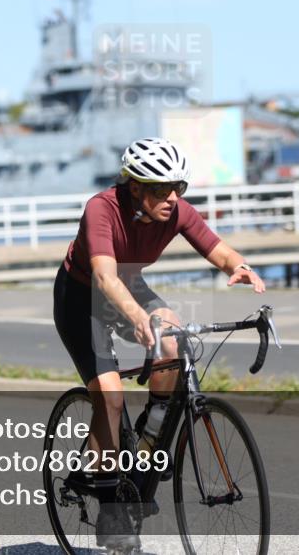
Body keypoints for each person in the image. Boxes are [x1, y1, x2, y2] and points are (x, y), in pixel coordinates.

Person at [53, 137, 265, 548]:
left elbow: (214, 246)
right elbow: (103, 278)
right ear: (135, 187)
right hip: (82, 297)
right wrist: (135, 317)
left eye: (178, 188)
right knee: (111, 399)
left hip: (128, 284)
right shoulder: (102, 208)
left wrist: (239, 266)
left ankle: (150, 439)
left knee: (172, 334)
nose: (171, 198)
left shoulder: (174, 210)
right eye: (160, 189)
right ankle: (110, 509)